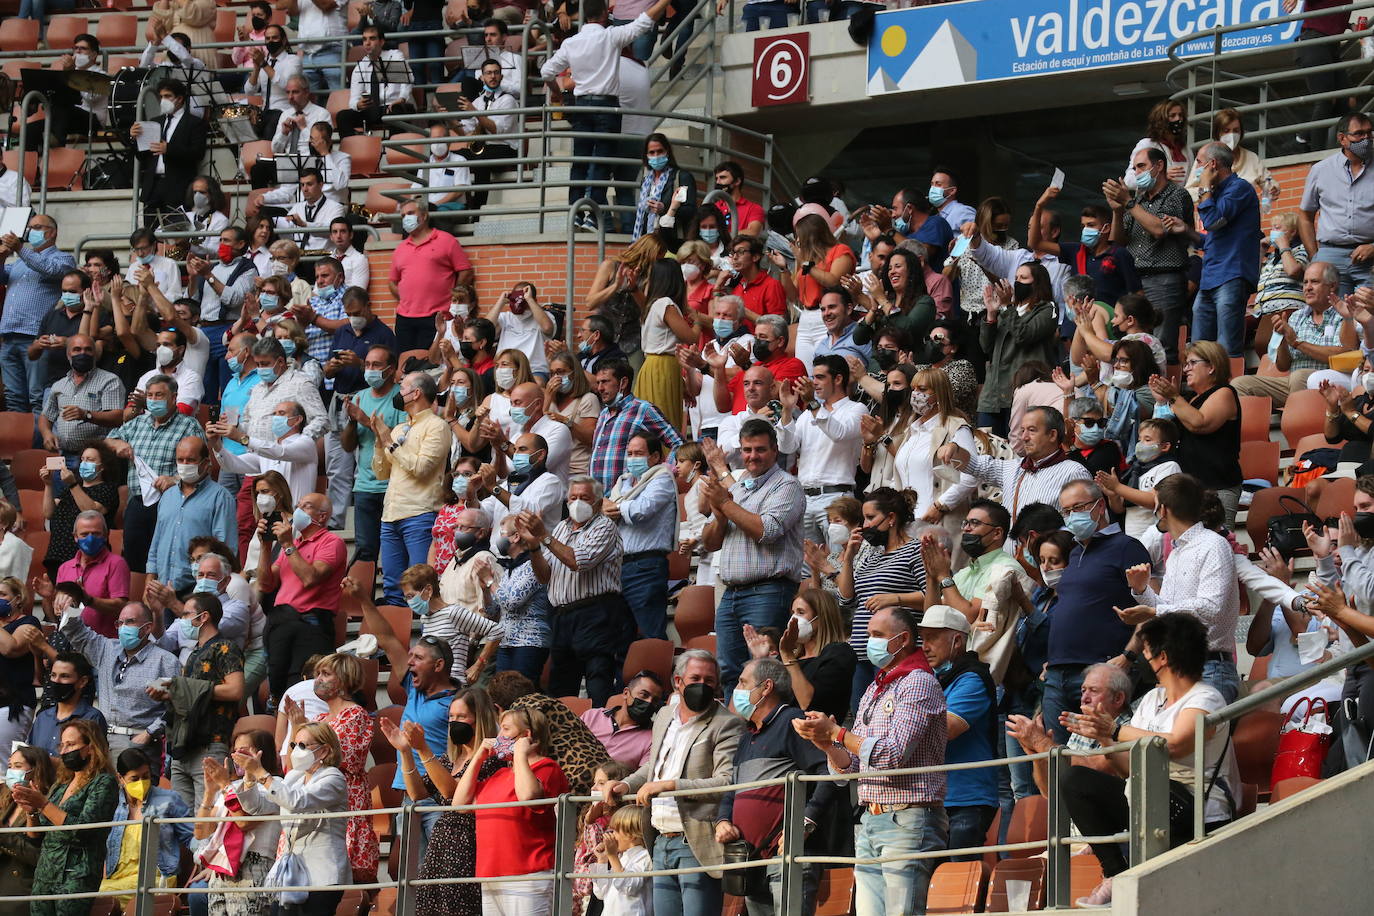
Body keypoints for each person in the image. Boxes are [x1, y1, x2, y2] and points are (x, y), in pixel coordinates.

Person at [1061, 613, 1238, 908]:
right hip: (1147, 799)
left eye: (1145, 651)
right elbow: (1131, 768)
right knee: (1074, 779)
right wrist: (1105, 738)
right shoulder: (1151, 700)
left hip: (1194, 808)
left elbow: (1177, 745)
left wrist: (1115, 729)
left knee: (1148, 789)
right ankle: (1116, 874)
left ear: (1163, 657)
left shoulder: (1206, 698)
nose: (1142, 658)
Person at [793, 607, 947, 916]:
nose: (869, 642)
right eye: (868, 634)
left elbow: (891, 755)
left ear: (902, 639)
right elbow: (850, 766)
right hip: (870, 819)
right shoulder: (875, 688)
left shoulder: (919, 683)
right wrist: (827, 743)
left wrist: (837, 731)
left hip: (908, 820)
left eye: (877, 635)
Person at [610, 650, 745, 916]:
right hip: (660, 839)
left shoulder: (727, 724)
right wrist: (624, 785)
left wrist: (670, 786)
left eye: (709, 680)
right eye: (695, 678)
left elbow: (726, 781)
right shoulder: (663, 716)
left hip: (695, 840)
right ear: (678, 682)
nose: (702, 686)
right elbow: (654, 767)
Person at [717, 656, 834, 916]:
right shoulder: (747, 735)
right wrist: (722, 820)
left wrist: (806, 821)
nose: (736, 690)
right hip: (752, 860)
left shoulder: (792, 721)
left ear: (766, 687)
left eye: (743, 682)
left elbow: (828, 773)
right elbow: (732, 789)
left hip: (788, 858)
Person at [1039, 480, 1150, 744]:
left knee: (1099, 755)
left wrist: (1128, 655)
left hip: (1102, 670)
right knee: (1055, 757)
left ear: (1100, 506)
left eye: (1078, 507)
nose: (1071, 516)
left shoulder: (1126, 546)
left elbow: (1151, 607)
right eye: (1066, 511)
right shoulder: (1075, 552)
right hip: (1057, 673)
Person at [1118, 473, 1242, 703]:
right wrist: (1141, 591)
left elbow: (1211, 608)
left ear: (1163, 509)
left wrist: (1154, 612)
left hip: (1210, 668)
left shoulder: (1213, 544)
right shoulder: (1175, 553)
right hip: (1177, 668)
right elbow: (1169, 611)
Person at [701, 419, 805, 690]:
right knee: (729, 672)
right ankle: (736, 732)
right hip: (731, 592)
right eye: (747, 450)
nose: (752, 456)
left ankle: (766, 729)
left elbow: (767, 530)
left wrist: (724, 502)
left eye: (760, 449)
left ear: (775, 450)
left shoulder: (787, 485)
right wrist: (721, 517)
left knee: (764, 671)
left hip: (769, 592)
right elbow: (710, 543)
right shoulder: (738, 486)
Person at [517, 477, 628, 706]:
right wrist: (535, 547)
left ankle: (602, 735)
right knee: (561, 689)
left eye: (584, 498)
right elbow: (543, 575)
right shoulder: (561, 527)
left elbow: (579, 561)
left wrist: (544, 537)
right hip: (561, 616)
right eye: (573, 498)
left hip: (596, 614)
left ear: (597, 502)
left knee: (598, 684)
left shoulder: (604, 525)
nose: (577, 502)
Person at [452, 707, 571, 916]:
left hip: (528, 875)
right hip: (491, 874)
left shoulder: (547, 767)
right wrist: (479, 757)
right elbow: (459, 803)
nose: (498, 738)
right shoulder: (499, 774)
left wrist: (520, 754)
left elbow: (527, 796)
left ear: (526, 735)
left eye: (505, 730)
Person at [235, 721, 350, 916]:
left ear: (324, 751)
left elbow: (298, 801)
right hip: (291, 874)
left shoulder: (333, 777)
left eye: (303, 746)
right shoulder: (294, 777)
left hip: (322, 873)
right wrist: (250, 776)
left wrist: (261, 773)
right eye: (294, 745)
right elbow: (258, 806)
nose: (297, 750)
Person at [282, 652, 379, 882]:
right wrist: (297, 729)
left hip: (344, 801)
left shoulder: (355, 714)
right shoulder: (322, 718)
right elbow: (294, 765)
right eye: (317, 674)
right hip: (314, 800)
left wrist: (303, 730)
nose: (318, 679)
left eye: (326, 674)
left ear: (344, 680)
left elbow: (340, 759)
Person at [151, 593, 245, 809]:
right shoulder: (194, 653)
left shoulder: (225, 647)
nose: (182, 620)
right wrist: (170, 693)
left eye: (186, 614)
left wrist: (188, 689)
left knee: (208, 813)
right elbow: (189, 695)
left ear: (203, 617)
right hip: (184, 744)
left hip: (210, 743)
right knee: (183, 821)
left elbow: (236, 690)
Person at [17, 719, 120, 915]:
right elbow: (36, 837)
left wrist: (43, 804)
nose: (64, 751)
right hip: (45, 874)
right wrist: (31, 810)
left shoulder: (103, 782)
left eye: (71, 744)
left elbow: (82, 830)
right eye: (61, 745)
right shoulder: (62, 784)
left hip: (76, 875)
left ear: (90, 747)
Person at [59, 600, 180, 761]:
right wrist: (70, 608)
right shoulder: (107, 648)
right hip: (102, 741)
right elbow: (78, 633)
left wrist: (150, 732)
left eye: (130, 622)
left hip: (138, 743)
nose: (123, 627)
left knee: (134, 787)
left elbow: (176, 707)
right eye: (120, 623)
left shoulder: (166, 661)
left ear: (147, 628)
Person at [255, 493, 347, 703]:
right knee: (279, 692)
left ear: (322, 516)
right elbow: (266, 583)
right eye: (297, 505)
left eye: (305, 506)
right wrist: (265, 546)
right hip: (280, 623)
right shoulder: (294, 544)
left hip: (310, 626)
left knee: (302, 689)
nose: (297, 511)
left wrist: (288, 545)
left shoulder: (332, 542)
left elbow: (310, 578)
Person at [1173, 141, 1262, 357]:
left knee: (1226, 348)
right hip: (1211, 277)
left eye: (1200, 163)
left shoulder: (1239, 188)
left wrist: (1203, 188)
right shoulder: (1218, 193)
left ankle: (1228, 389)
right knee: (1200, 348)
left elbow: (1213, 221)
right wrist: (1186, 230)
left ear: (1212, 164)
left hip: (1232, 274)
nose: (1197, 169)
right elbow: (1211, 240)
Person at [938, 406, 1091, 528]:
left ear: (1052, 435)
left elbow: (1082, 524)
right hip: (1012, 561)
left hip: (1049, 563)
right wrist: (955, 448)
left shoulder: (1074, 472)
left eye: (1032, 430)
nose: (1024, 437)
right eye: (1022, 430)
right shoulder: (1014, 467)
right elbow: (976, 465)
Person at [373, 372, 453, 605]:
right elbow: (381, 473)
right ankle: (396, 639)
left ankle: (427, 638)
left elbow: (421, 468)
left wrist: (388, 442)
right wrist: (380, 441)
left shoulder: (437, 426)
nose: (398, 394)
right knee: (392, 586)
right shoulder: (398, 429)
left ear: (416, 393)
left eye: (402, 388)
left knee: (420, 585)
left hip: (420, 513)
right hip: (390, 515)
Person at [839, 488, 927, 699]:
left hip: (896, 654)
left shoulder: (915, 550)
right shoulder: (872, 557)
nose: (865, 525)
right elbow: (846, 599)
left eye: (870, 518)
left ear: (891, 518)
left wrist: (895, 599)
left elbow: (935, 597)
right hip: (862, 653)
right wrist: (849, 557)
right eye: (863, 519)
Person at [1147, 340, 1243, 527]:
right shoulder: (1189, 400)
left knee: (1216, 544)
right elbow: (1164, 435)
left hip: (1217, 487)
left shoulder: (1224, 393)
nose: (1186, 369)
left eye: (1192, 363)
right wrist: (1161, 402)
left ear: (1211, 367)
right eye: (1185, 364)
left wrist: (1174, 397)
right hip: (1190, 491)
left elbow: (1200, 423)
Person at [1234, 261, 1357, 406]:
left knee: (1299, 377)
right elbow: (1283, 366)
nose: (1308, 288)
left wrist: (1298, 343)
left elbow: (1343, 354)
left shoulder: (1344, 314)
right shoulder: (1296, 316)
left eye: (1314, 282)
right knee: (1240, 384)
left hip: (1327, 383)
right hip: (1292, 382)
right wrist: (1283, 339)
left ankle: (1300, 425)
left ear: (1332, 286)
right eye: (1305, 283)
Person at [194, 728, 283, 916]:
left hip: (254, 866)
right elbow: (201, 832)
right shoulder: (232, 786)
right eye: (235, 751)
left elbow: (243, 822)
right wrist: (210, 793)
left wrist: (225, 786)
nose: (237, 756)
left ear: (262, 753)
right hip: (222, 868)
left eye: (244, 750)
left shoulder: (275, 785)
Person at [784, 354, 866, 544]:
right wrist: (787, 410)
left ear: (838, 379)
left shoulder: (857, 409)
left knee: (838, 562)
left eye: (820, 377)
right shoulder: (806, 415)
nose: (814, 383)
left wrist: (812, 403)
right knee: (809, 565)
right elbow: (787, 447)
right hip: (805, 499)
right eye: (813, 378)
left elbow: (839, 433)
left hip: (837, 498)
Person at [0, 211, 77, 412]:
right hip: (9, 336)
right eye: (30, 228)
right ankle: (18, 443)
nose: (30, 232)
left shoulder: (64, 258)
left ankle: (40, 442)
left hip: (36, 337)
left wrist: (20, 249)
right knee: (13, 398)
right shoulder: (18, 262)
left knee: (38, 396)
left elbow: (51, 270)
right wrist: (0, 258)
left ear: (52, 233)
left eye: (37, 228)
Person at [895, 367, 977, 550]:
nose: (916, 394)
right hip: (907, 526)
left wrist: (940, 506)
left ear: (939, 394)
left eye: (923, 390)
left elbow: (972, 474)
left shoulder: (956, 428)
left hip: (940, 523)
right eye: (914, 389)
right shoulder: (911, 431)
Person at [973, 263, 1060, 435]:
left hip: (1023, 391)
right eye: (1016, 278)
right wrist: (991, 315)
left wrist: (1008, 308)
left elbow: (1023, 335)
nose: (1018, 282)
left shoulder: (1048, 309)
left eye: (1024, 278)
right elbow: (986, 346)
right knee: (987, 448)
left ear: (1037, 283)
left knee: (1018, 448)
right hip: (993, 394)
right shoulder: (1008, 310)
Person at [608, 431, 680, 640]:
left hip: (646, 567)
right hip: (618, 567)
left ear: (655, 457)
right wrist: (615, 507)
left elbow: (641, 511)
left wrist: (616, 506)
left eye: (638, 453)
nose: (632, 459)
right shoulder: (623, 483)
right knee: (621, 639)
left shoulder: (662, 478)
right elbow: (605, 512)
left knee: (651, 635)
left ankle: (655, 673)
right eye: (629, 453)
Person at [341, 345, 408, 566]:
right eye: (367, 365)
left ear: (391, 369)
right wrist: (352, 422)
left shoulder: (401, 398)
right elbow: (348, 446)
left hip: (395, 486)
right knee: (365, 552)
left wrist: (363, 419)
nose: (370, 369)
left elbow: (398, 441)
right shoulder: (360, 397)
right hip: (365, 486)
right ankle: (363, 600)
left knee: (396, 550)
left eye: (376, 365)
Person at [99, 747, 193, 900]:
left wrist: (208, 858)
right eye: (134, 779)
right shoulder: (110, 804)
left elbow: (191, 837)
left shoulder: (169, 799)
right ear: (120, 779)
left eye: (145, 776)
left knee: (99, 894)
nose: (141, 783)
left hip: (159, 878)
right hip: (116, 878)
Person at [147, 437, 237, 594]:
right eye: (180, 460)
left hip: (197, 590)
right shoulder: (167, 496)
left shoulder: (220, 497)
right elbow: (156, 543)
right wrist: (149, 582)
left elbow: (225, 549)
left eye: (190, 460)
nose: (184, 465)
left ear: (205, 463)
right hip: (162, 588)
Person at [1298, 111, 1374, 296]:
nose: (1366, 138)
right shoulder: (1320, 170)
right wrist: (1314, 256)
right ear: (1342, 139)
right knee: (1333, 315)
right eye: (1359, 134)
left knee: (1369, 315)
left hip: (1371, 255)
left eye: (1369, 133)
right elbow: (1305, 216)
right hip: (1330, 255)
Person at [389, 199, 476, 351]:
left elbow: (466, 272)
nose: (406, 218)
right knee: (404, 363)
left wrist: (453, 297)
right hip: (405, 318)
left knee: (430, 363)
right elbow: (392, 282)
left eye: (410, 213)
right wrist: (406, 298)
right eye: (403, 216)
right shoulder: (400, 249)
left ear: (424, 216)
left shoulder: (446, 240)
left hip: (437, 316)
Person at [590, 360, 684, 491]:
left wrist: (663, 472)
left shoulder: (643, 409)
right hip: (600, 500)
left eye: (605, 381)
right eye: (598, 382)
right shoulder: (603, 414)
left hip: (629, 497)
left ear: (623, 383)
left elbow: (679, 444)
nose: (600, 388)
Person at [209, 401, 317, 505]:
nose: (276, 417)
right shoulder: (267, 450)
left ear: (298, 419)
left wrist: (241, 438)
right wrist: (216, 443)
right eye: (274, 414)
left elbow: (280, 452)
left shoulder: (306, 442)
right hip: (272, 517)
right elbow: (232, 465)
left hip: (298, 517)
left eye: (281, 413)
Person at [132, 79, 209, 224]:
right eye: (161, 97)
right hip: (153, 186)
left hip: (177, 186)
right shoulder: (155, 121)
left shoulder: (194, 123)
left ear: (179, 99)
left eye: (167, 96)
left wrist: (169, 149)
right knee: (150, 233)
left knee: (176, 232)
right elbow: (142, 155)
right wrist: (135, 138)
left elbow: (197, 153)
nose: (163, 100)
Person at [488, 516, 554, 683]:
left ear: (516, 537)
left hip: (529, 641)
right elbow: (493, 611)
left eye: (502, 533)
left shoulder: (533, 565)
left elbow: (511, 602)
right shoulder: (511, 568)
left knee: (521, 696)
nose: (499, 538)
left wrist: (490, 582)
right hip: (506, 641)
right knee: (501, 694)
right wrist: (484, 588)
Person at [635, 261, 699, 430]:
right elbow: (690, 337)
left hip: (652, 365)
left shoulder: (652, 304)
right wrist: (698, 320)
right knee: (664, 422)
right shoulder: (666, 304)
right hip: (662, 367)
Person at [0, 745, 54, 912]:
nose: (11, 772)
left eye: (18, 766)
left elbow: (38, 856)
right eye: (10, 767)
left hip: (21, 885)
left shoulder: (47, 806)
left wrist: (2, 835)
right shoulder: (7, 800)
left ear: (35, 771)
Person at [337, 24, 414, 137]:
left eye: (372, 38)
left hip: (393, 106)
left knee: (396, 112)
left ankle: (395, 152)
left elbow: (408, 79)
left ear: (381, 42)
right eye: (364, 39)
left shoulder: (393, 56)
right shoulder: (361, 67)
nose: (367, 43)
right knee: (343, 116)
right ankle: (355, 147)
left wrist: (402, 98)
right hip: (372, 110)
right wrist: (358, 105)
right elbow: (353, 100)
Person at [26, 652, 107, 757]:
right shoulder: (42, 718)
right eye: (53, 675)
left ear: (82, 681)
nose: (56, 681)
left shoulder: (92, 717)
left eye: (64, 676)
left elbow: (96, 761)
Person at [579, 672, 666, 768]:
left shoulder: (652, 738)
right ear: (626, 693)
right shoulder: (592, 716)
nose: (649, 702)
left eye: (655, 701)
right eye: (644, 695)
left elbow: (640, 777)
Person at [589, 804, 653, 916]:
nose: (612, 835)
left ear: (631, 835)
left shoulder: (644, 857)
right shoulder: (621, 858)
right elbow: (600, 892)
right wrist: (603, 861)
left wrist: (613, 857)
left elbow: (629, 887)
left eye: (615, 831)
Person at [545, 351, 602, 476]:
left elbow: (590, 439)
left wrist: (566, 421)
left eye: (560, 372)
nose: (556, 377)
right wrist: (548, 397)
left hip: (577, 470)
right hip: (551, 469)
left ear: (574, 373)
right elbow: (536, 429)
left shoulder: (588, 399)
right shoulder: (549, 400)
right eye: (552, 373)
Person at [632, 133, 697, 241]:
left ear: (667, 152)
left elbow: (690, 211)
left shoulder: (681, 177)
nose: (656, 156)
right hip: (648, 242)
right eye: (652, 152)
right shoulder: (646, 181)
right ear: (646, 156)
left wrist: (664, 208)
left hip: (672, 241)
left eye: (660, 151)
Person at [712, 161, 767, 238]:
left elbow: (752, 232)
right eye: (716, 178)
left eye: (722, 177)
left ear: (737, 181)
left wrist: (723, 237)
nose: (718, 182)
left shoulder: (754, 208)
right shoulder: (713, 207)